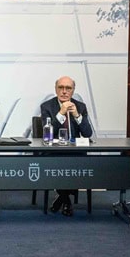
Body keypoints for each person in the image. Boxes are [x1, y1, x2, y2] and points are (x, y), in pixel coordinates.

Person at [40, 76, 94, 216]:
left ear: (73, 90)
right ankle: (66, 201)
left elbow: (87, 133)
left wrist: (77, 115)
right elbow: (47, 134)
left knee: (74, 162)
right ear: (56, 89)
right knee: (60, 163)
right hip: (53, 152)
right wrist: (61, 113)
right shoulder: (46, 106)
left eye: (68, 88)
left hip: (75, 151)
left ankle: (61, 198)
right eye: (61, 88)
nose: (64, 91)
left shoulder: (80, 106)